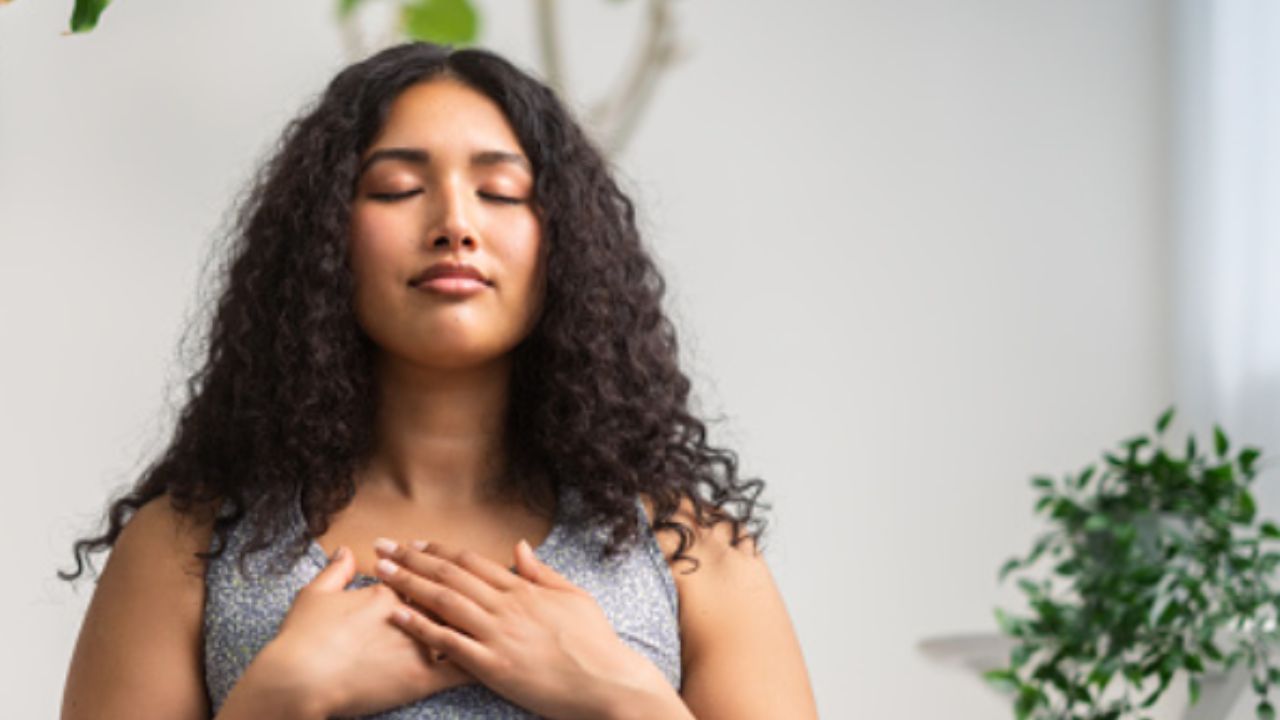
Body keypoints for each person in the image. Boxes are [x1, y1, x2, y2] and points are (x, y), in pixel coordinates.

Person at [59, 41, 817, 719]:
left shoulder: (691, 549)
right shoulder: (183, 546)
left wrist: (621, 698)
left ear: (568, 242)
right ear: (323, 238)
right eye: (395, 188)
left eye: (502, 193)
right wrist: (278, 700)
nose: (456, 222)